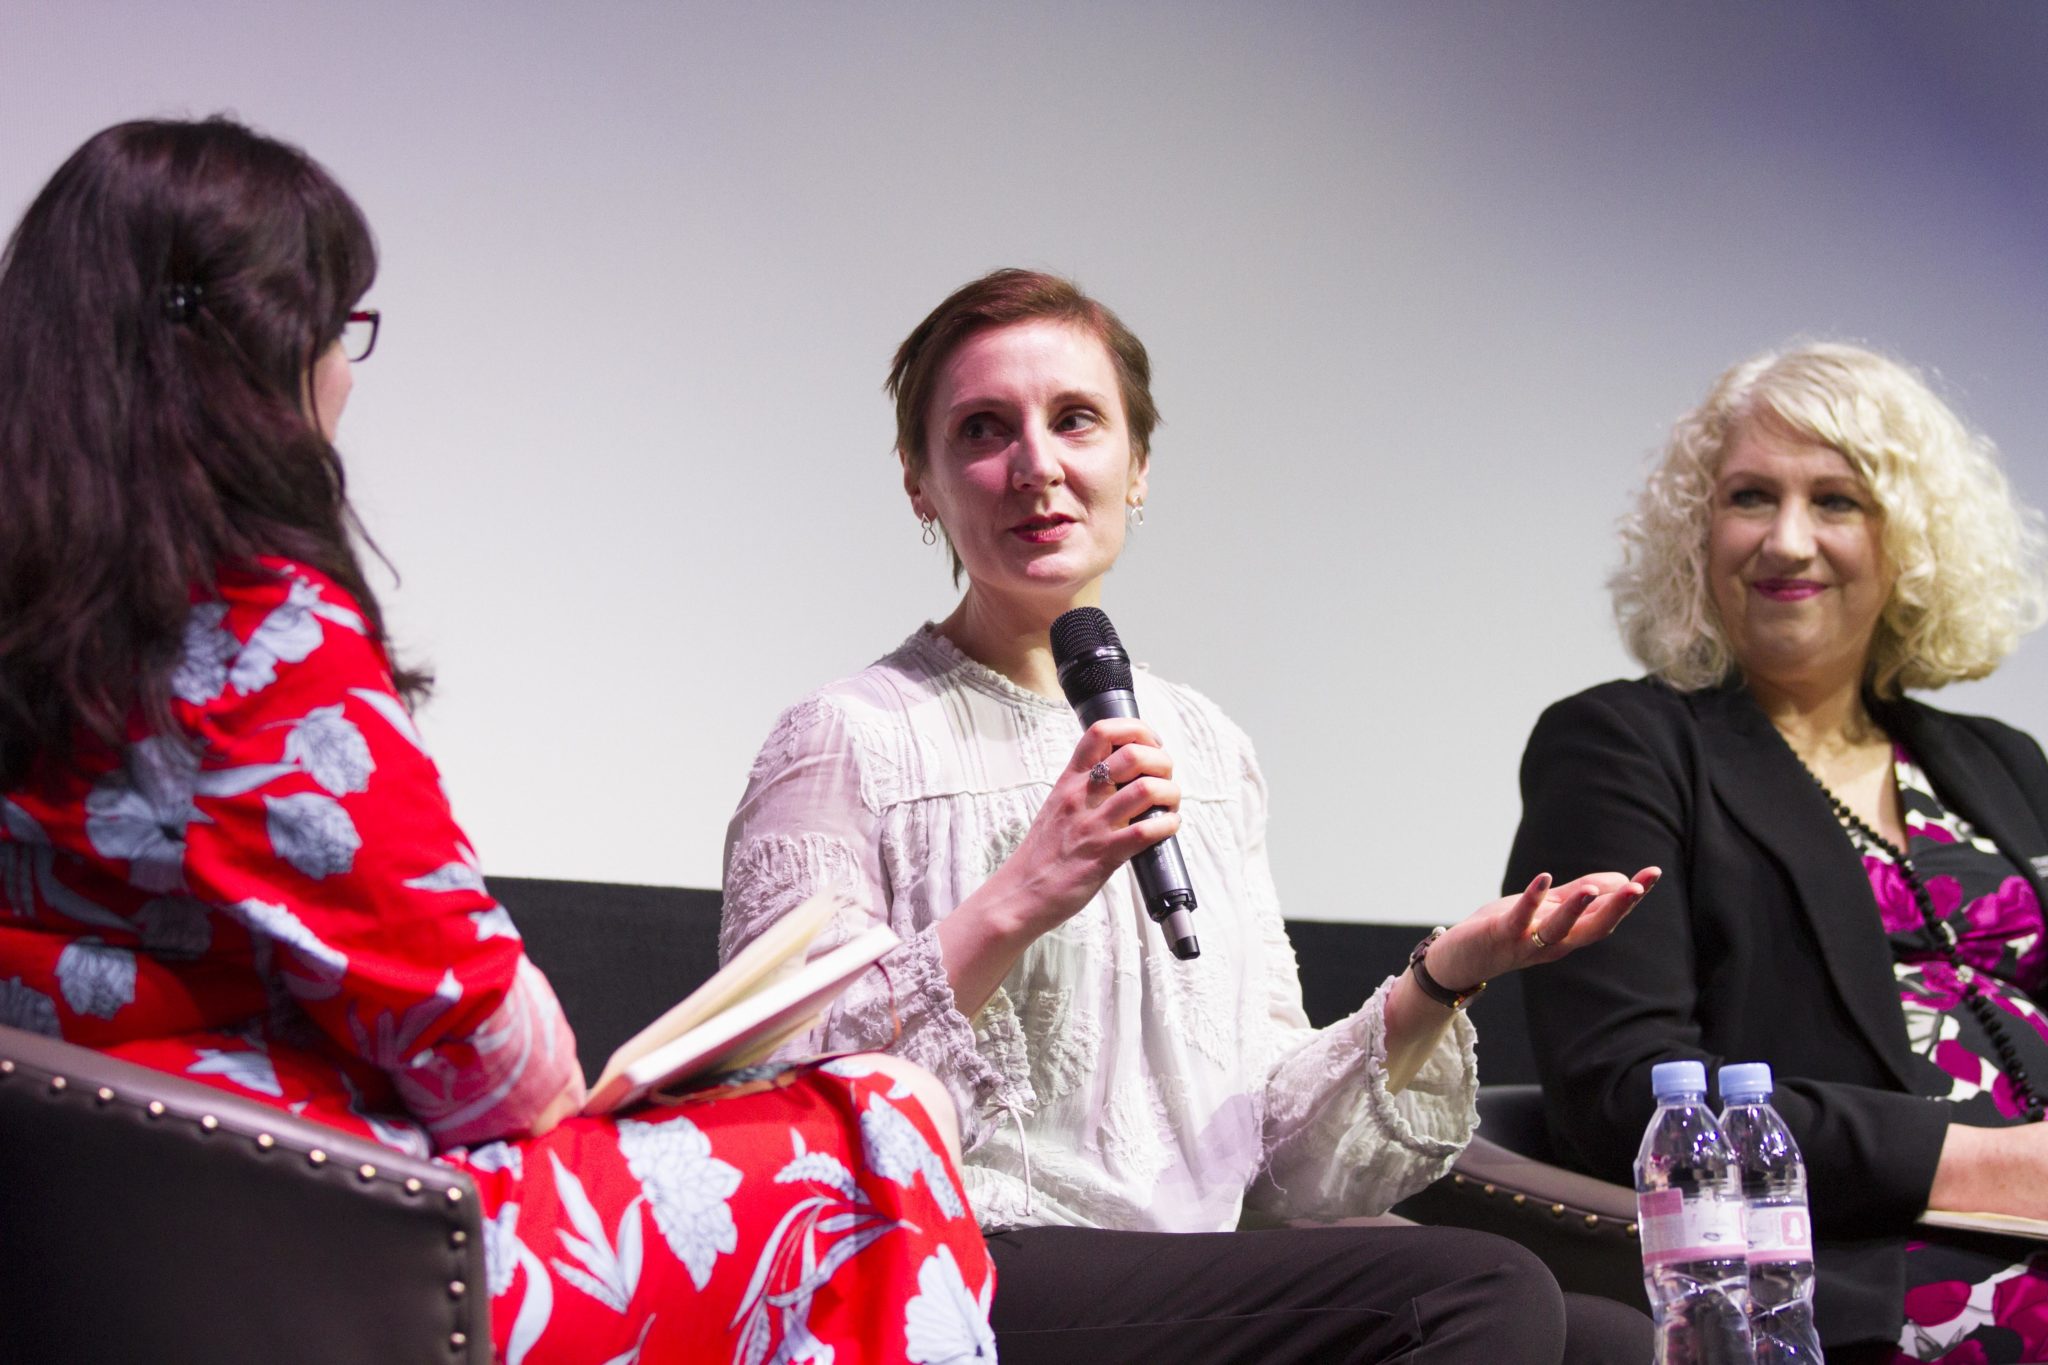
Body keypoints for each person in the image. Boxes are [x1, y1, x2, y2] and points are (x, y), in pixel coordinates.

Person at [0, 118, 994, 1365]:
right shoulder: (257, 634)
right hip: (325, 1242)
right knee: (884, 1119)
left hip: (84, 1250)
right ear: (258, 346)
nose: (348, 376)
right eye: (338, 330)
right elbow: (492, 1066)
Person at [723, 266, 1658, 1363]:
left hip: (1183, 1272)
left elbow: (1275, 1158)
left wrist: (1440, 976)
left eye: (1076, 420)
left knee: (1603, 1342)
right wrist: (1023, 894)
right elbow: (776, 1098)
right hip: (942, 1268)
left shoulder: (1206, 749)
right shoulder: (844, 735)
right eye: (983, 430)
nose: (1037, 467)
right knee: (1477, 1287)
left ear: (1138, 466)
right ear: (920, 483)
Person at [1506, 342, 2048, 1364]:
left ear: (1908, 540)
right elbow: (1621, 1093)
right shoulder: (1623, 746)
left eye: (1835, 502)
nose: (1786, 542)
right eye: (1749, 497)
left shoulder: (2000, 762)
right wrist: (1990, 1168)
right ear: (1694, 534)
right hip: (1863, 1271)